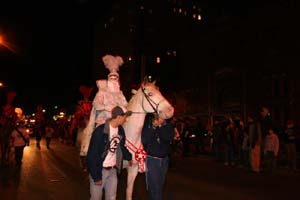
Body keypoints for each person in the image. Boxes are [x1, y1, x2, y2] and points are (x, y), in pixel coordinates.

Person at [86, 106, 133, 200]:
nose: (126, 119)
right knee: (96, 198)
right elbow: (92, 155)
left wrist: (129, 157)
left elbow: (122, 146)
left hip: (113, 170)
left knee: (112, 198)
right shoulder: (100, 131)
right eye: (125, 117)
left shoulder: (120, 130)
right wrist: (96, 176)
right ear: (119, 117)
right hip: (100, 170)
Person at [142, 114, 175, 200]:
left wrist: (160, 126)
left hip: (164, 160)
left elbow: (169, 137)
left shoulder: (168, 125)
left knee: (158, 186)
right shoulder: (148, 124)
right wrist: (153, 127)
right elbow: (144, 139)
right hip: (152, 160)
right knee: (156, 187)